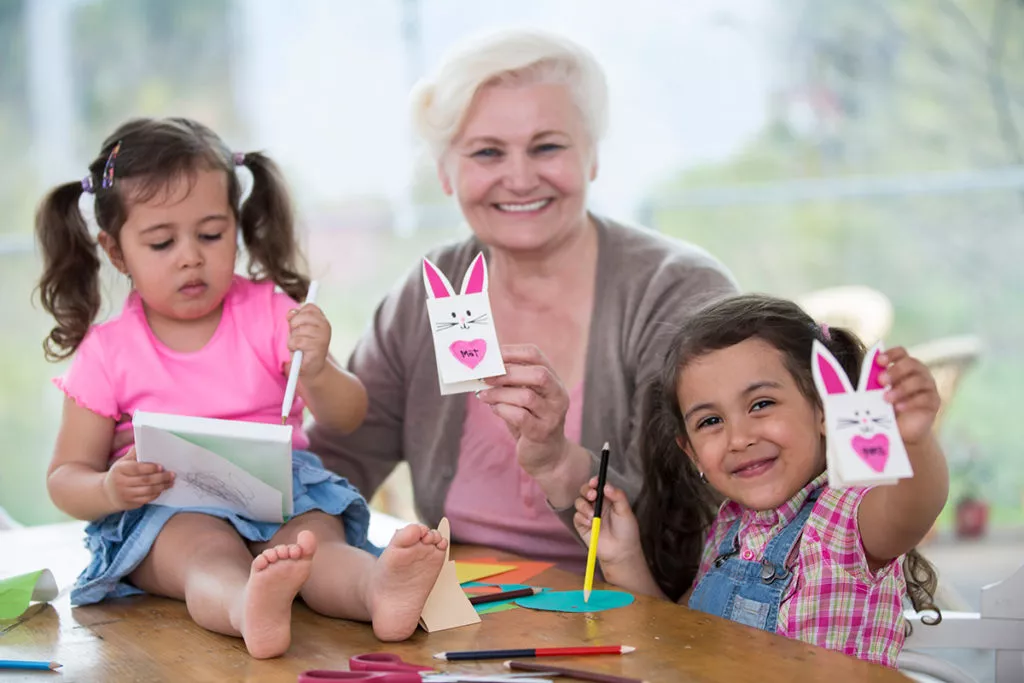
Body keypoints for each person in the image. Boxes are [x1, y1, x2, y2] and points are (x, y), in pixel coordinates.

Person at [307, 28, 737, 571]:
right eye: (487, 152)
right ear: (445, 172)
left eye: (548, 147)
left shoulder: (677, 292)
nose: (519, 178)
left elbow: (704, 521)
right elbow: (334, 464)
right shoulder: (429, 290)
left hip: (639, 611)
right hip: (462, 604)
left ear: (593, 158)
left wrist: (560, 463)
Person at [36, 117, 447, 659]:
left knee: (317, 545)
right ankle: (247, 605)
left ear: (237, 225)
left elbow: (349, 416)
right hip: (169, 508)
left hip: (282, 492)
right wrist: (111, 490)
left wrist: (319, 369)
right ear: (115, 252)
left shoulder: (270, 313)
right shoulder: (108, 351)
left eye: (211, 234)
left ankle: (380, 590)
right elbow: (66, 477)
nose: (191, 256)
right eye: (162, 242)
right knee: (205, 556)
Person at [573, 294, 947, 667]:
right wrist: (623, 557)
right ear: (691, 452)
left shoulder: (846, 515)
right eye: (711, 421)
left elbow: (915, 506)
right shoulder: (730, 530)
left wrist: (914, 441)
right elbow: (676, 636)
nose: (739, 438)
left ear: (825, 410)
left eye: (761, 404)